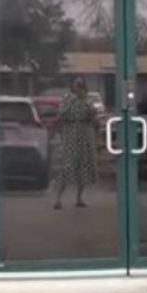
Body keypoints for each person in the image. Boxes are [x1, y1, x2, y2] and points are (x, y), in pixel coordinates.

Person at [52, 77, 99, 210]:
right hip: (71, 133)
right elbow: (61, 114)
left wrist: (87, 104)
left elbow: (94, 118)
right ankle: (58, 198)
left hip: (85, 134)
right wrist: (74, 100)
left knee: (83, 166)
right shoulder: (67, 99)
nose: (78, 88)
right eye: (76, 85)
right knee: (67, 166)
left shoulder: (88, 100)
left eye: (81, 85)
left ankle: (79, 198)